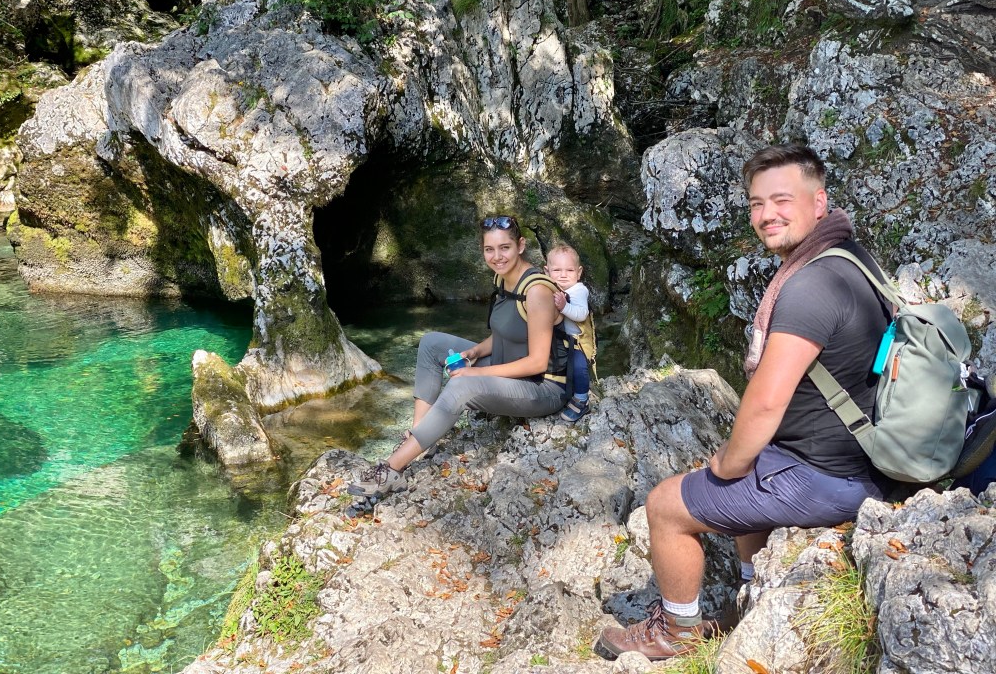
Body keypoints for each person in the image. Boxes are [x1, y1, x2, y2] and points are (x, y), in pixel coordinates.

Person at [595, 143, 893, 661]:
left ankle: (676, 631)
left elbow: (766, 403)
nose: (766, 215)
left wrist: (728, 463)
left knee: (665, 505)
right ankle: (753, 597)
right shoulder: (853, 259)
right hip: (866, 459)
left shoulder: (811, 286)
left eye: (781, 200)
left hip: (830, 477)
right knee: (754, 466)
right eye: (757, 204)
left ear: (819, 202)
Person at [348, 215, 571, 499]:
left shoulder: (537, 291)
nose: (497, 256)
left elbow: (537, 362)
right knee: (431, 343)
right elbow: (510, 333)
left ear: (521, 246)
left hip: (543, 388)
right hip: (508, 368)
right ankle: (421, 436)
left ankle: (391, 471)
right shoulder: (503, 279)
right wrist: (475, 352)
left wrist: (475, 372)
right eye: (489, 249)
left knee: (461, 384)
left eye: (505, 248)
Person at [545, 243, 592, 422]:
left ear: (579, 273)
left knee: (579, 368)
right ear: (547, 271)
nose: (563, 275)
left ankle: (581, 399)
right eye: (557, 270)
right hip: (559, 341)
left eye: (569, 270)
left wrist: (564, 307)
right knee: (561, 367)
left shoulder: (579, 290)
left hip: (577, 342)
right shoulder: (550, 288)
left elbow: (581, 314)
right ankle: (566, 391)